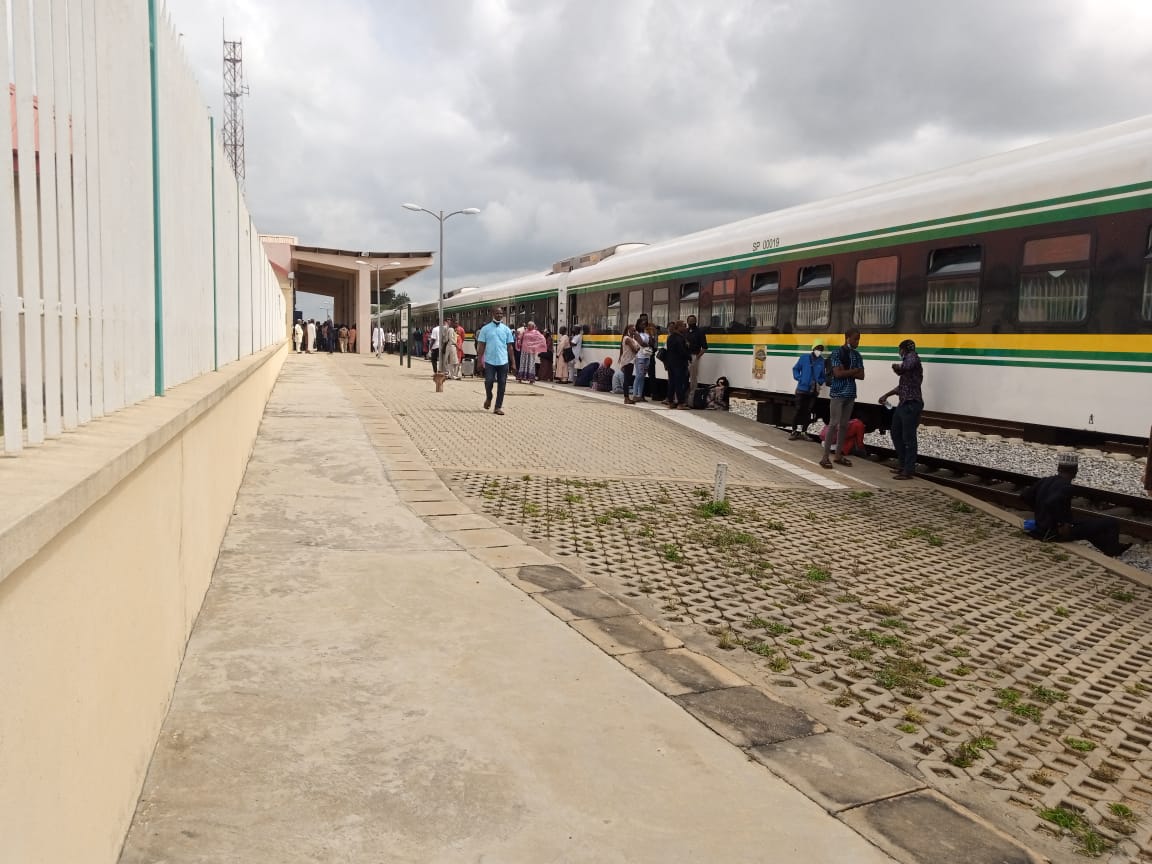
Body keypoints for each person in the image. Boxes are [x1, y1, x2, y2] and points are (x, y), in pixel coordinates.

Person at [1022, 453, 1130, 557]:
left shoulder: (1045, 480)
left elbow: (1024, 496)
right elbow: (1052, 502)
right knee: (1112, 522)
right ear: (1075, 472)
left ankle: (1110, 549)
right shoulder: (1066, 487)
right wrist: (1061, 524)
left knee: (1088, 527)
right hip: (1054, 533)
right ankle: (1113, 550)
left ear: (1059, 468)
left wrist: (1040, 511)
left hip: (1041, 528)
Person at [879, 339, 925, 479]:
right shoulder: (909, 365)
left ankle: (908, 470)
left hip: (911, 404)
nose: (899, 353)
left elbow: (904, 368)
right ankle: (903, 465)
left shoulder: (912, 357)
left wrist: (896, 367)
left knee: (908, 438)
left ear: (903, 350)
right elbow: (902, 386)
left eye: (900, 350)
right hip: (903, 404)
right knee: (895, 432)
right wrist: (887, 394)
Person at [820, 328, 864, 469]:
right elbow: (837, 374)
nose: (857, 341)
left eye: (859, 339)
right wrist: (853, 371)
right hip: (838, 393)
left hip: (850, 394)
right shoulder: (837, 353)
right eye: (855, 338)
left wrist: (846, 371)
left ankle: (838, 455)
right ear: (847, 338)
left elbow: (862, 375)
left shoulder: (857, 355)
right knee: (834, 424)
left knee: (844, 425)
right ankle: (825, 457)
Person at [475, 308, 516, 415]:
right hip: (490, 361)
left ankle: (498, 407)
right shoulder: (485, 329)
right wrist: (479, 361)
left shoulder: (506, 329)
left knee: (502, 384)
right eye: (497, 313)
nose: (499, 315)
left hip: (503, 361)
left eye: (501, 313)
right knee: (489, 381)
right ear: (492, 314)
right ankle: (489, 397)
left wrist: (513, 363)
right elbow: (481, 346)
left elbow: (510, 347)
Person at [790, 340, 826, 439]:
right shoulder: (804, 358)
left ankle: (804, 432)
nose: (819, 351)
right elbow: (795, 369)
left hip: (813, 391)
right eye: (818, 348)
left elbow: (823, 376)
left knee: (808, 411)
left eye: (821, 349)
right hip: (801, 389)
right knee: (798, 410)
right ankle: (794, 431)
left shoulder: (822, 361)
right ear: (813, 348)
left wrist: (820, 381)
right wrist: (799, 378)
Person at [664, 321, 691, 409]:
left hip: (671, 363)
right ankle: (680, 403)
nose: (685, 328)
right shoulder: (680, 338)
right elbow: (682, 351)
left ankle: (670, 402)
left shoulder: (670, 337)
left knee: (671, 383)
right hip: (679, 363)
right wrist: (689, 357)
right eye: (684, 326)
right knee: (679, 383)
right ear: (678, 327)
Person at [685, 314, 709, 399]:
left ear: (696, 322)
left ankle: (693, 395)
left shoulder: (700, 332)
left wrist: (697, 357)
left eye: (693, 321)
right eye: (690, 321)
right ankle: (684, 394)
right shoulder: (686, 331)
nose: (691, 323)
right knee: (684, 376)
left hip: (694, 355)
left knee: (693, 377)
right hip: (685, 356)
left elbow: (705, 347)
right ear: (687, 322)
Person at [632, 321, 653, 403]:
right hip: (640, 357)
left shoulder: (646, 334)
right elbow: (641, 343)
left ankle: (640, 395)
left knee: (643, 376)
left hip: (647, 357)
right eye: (642, 324)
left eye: (645, 324)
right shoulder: (636, 334)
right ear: (638, 325)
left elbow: (652, 342)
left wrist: (650, 335)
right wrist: (648, 344)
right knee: (639, 375)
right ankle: (634, 395)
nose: (643, 325)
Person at [619, 324, 640, 405]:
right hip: (627, 361)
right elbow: (635, 350)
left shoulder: (632, 339)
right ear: (628, 330)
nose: (634, 331)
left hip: (631, 361)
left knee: (628, 379)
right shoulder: (627, 338)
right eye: (632, 330)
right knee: (627, 380)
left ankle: (627, 397)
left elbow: (637, 348)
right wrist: (636, 348)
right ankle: (626, 398)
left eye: (635, 330)